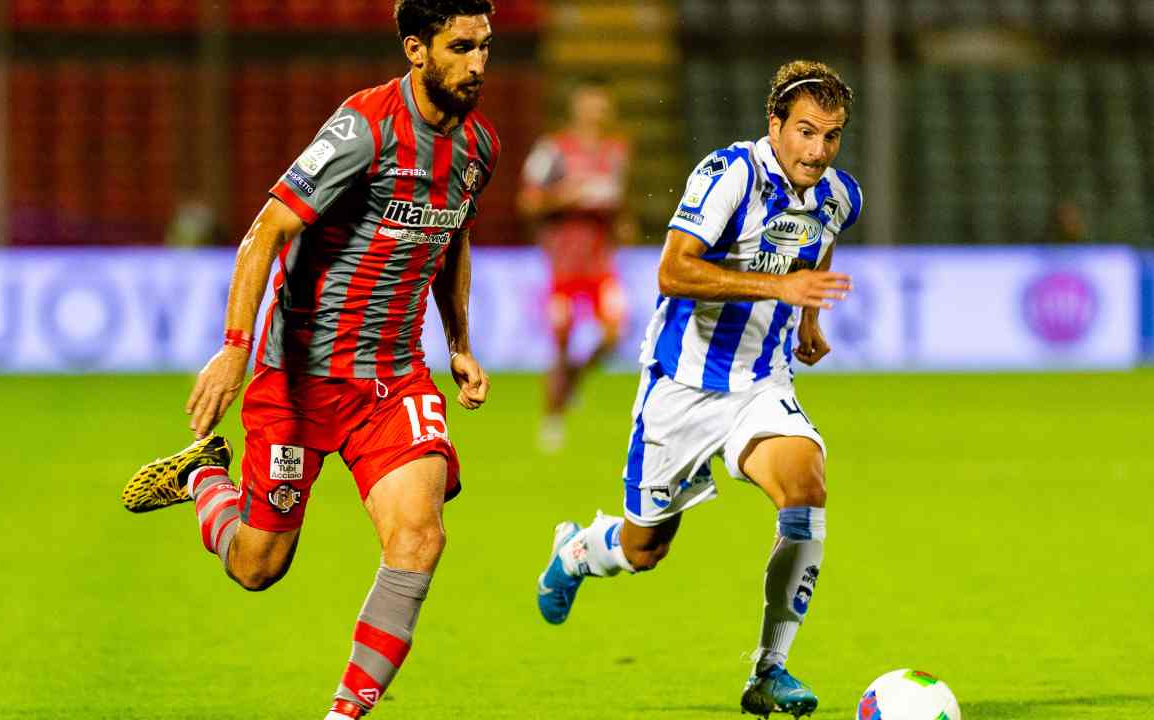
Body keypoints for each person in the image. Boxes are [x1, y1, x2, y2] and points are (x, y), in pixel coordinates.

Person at [120, 2, 499, 718]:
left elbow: (452, 240)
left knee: (419, 535)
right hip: (298, 380)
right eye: (460, 46)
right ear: (417, 50)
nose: (478, 63)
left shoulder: (479, 147)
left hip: (392, 380)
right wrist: (233, 351)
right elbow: (266, 231)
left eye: (485, 46)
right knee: (259, 566)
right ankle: (204, 476)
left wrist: (458, 343)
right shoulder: (365, 128)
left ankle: (344, 714)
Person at [535, 60, 861, 719]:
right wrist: (781, 289)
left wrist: (809, 319)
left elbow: (817, 247)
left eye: (830, 136)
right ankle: (578, 550)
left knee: (807, 484)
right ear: (775, 126)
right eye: (804, 132)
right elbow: (673, 271)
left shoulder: (838, 195)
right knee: (643, 548)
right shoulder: (729, 175)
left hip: (759, 383)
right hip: (681, 386)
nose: (817, 150)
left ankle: (770, 669)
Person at [516, 77, 635, 452]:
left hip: (600, 263)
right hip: (563, 265)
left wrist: (623, 223)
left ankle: (574, 382)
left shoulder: (617, 151)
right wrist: (565, 197)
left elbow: (619, 201)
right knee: (562, 343)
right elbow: (528, 202)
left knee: (615, 332)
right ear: (577, 109)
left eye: (601, 106)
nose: (596, 113)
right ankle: (552, 420)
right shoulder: (553, 149)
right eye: (590, 105)